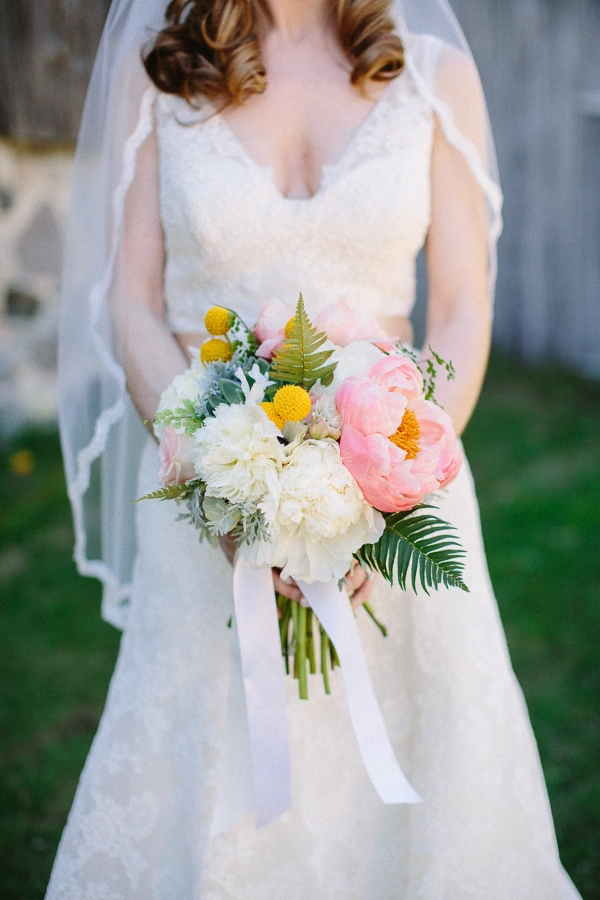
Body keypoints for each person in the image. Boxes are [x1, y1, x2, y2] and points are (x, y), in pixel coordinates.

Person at [47, 0, 582, 897]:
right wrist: (211, 472)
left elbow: (459, 310)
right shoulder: (162, 71)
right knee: (208, 775)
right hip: (202, 487)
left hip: (400, 487)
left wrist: (383, 497)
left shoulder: (433, 75)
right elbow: (134, 303)